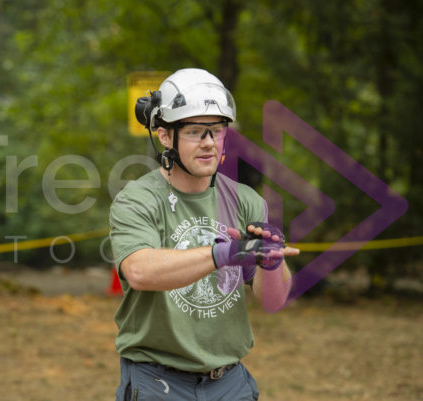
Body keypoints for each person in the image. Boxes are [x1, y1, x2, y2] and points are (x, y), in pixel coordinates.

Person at [109, 68, 300, 400]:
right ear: (165, 135)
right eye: (196, 131)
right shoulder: (137, 199)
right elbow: (139, 271)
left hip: (230, 381)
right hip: (157, 380)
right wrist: (222, 254)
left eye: (217, 130)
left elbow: (273, 301)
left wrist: (271, 262)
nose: (210, 143)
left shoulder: (246, 200)